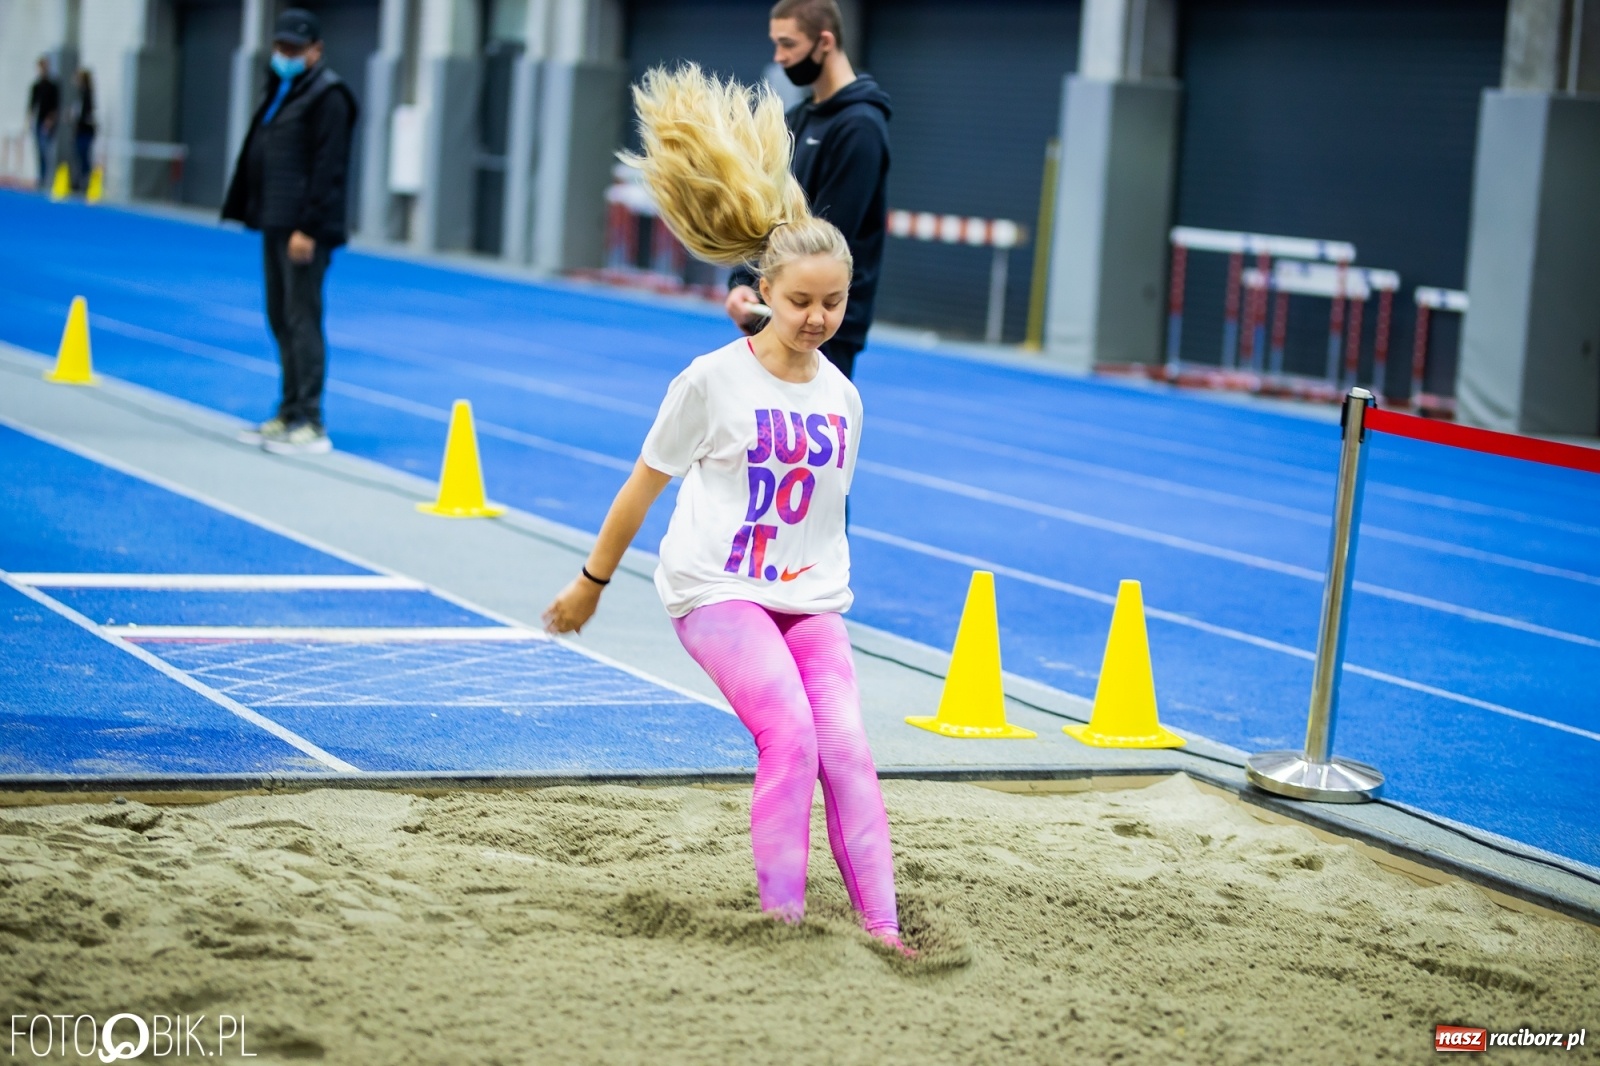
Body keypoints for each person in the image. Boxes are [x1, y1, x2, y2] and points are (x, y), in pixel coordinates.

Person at [543, 64, 912, 957]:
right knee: (787, 734)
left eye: (833, 302)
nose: (818, 318)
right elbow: (644, 483)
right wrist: (593, 583)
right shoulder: (711, 381)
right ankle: (782, 925)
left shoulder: (844, 398)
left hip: (809, 598)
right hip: (716, 589)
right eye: (799, 302)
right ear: (763, 294)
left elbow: (824, 517)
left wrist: (820, 586)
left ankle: (885, 929)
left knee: (849, 752)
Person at [724, 0, 890, 381]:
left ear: (824, 42)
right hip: (776, 310)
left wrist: (776, 295)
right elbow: (766, 209)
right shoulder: (799, 117)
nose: (779, 57)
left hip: (821, 325)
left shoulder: (860, 126)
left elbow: (828, 238)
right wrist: (743, 285)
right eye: (776, 44)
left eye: (788, 44)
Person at [222, 8, 357, 456]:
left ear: (315, 51)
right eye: (280, 47)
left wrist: (309, 227)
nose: (285, 55)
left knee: (302, 319)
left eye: (294, 49)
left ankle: (311, 418)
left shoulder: (329, 97)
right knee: (280, 316)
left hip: (303, 229)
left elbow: (329, 171)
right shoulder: (283, 89)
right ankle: (287, 409)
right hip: (276, 221)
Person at [26, 57, 59, 191]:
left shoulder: (52, 86)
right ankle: (40, 178)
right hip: (38, 122)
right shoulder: (36, 86)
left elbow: (55, 106)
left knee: (46, 152)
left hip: (47, 124)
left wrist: (50, 121)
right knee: (39, 151)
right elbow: (31, 106)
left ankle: (46, 180)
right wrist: (29, 121)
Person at [72, 69, 95, 192]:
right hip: (81, 131)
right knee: (80, 157)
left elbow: (86, 114)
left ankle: (86, 182)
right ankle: (80, 181)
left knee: (84, 157)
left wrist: (78, 120)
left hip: (85, 132)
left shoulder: (87, 95)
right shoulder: (80, 94)